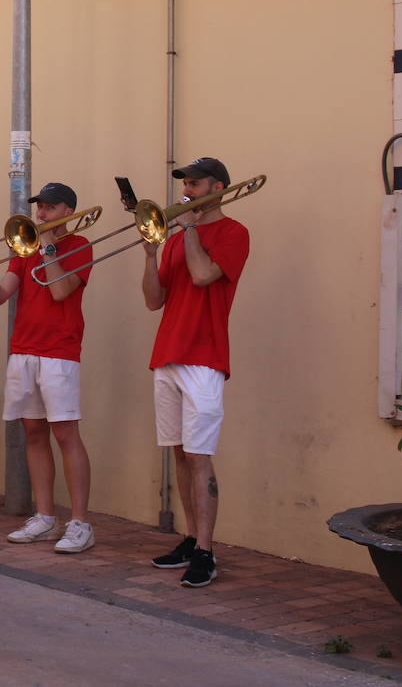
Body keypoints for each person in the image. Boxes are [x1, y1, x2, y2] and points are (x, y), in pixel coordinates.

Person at [142, 157, 250, 588]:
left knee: (200, 456)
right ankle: (189, 538)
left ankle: (206, 550)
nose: (187, 189)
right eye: (185, 182)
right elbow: (154, 300)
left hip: (205, 357)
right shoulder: (174, 240)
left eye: (196, 182)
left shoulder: (233, 232)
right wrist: (151, 255)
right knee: (179, 454)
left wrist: (187, 229)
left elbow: (205, 275)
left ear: (218, 187)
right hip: (166, 354)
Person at [0, 182, 95, 553]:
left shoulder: (80, 247)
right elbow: (2, 296)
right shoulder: (25, 248)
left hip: (59, 352)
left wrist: (48, 246)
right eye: (40, 208)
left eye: (49, 208)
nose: (41, 214)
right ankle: (45, 516)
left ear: (68, 211)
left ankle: (80, 522)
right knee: (33, 433)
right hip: (24, 349)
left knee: (66, 434)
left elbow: (60, 290)